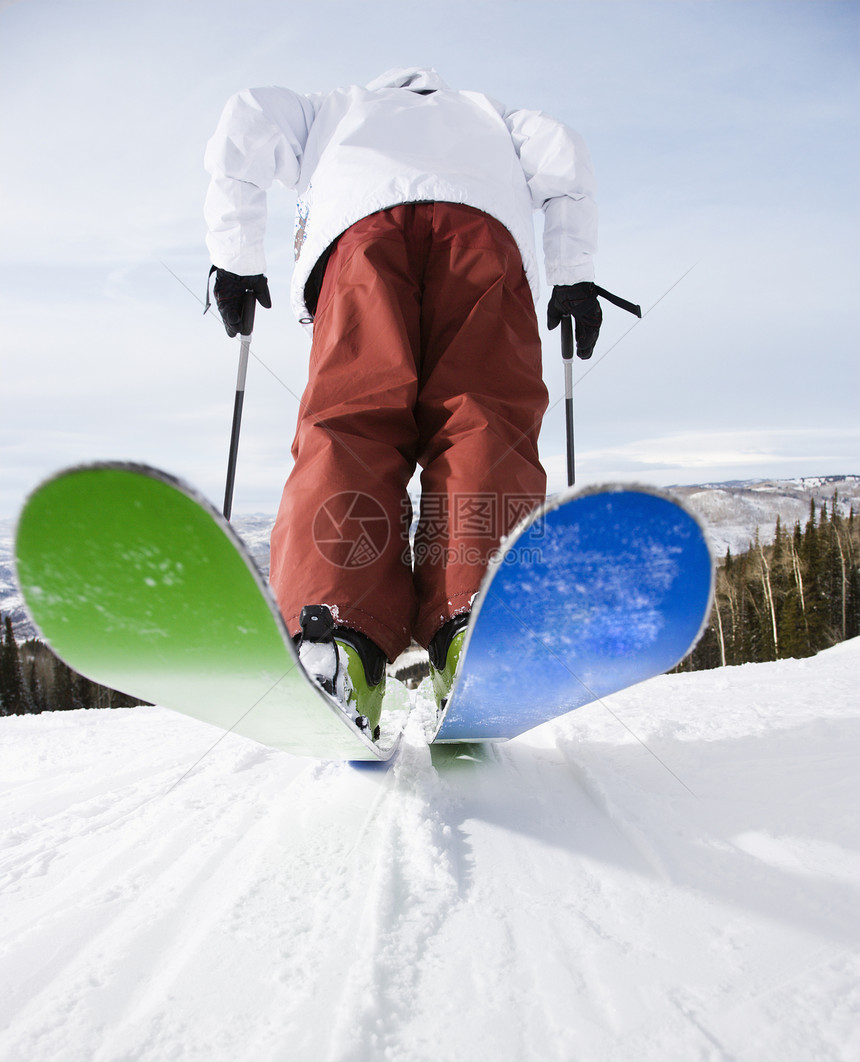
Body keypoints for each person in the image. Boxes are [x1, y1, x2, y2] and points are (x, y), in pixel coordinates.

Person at [204, 66, 601, 738]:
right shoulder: (491, 113)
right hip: (484, 236)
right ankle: (475, 626)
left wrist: (235, 256)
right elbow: (562, 158)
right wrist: (573, 274)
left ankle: (339, 642)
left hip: (360, 232)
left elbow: (246, 119)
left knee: (349, 423)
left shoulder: (332, 107)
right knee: (485, 421)